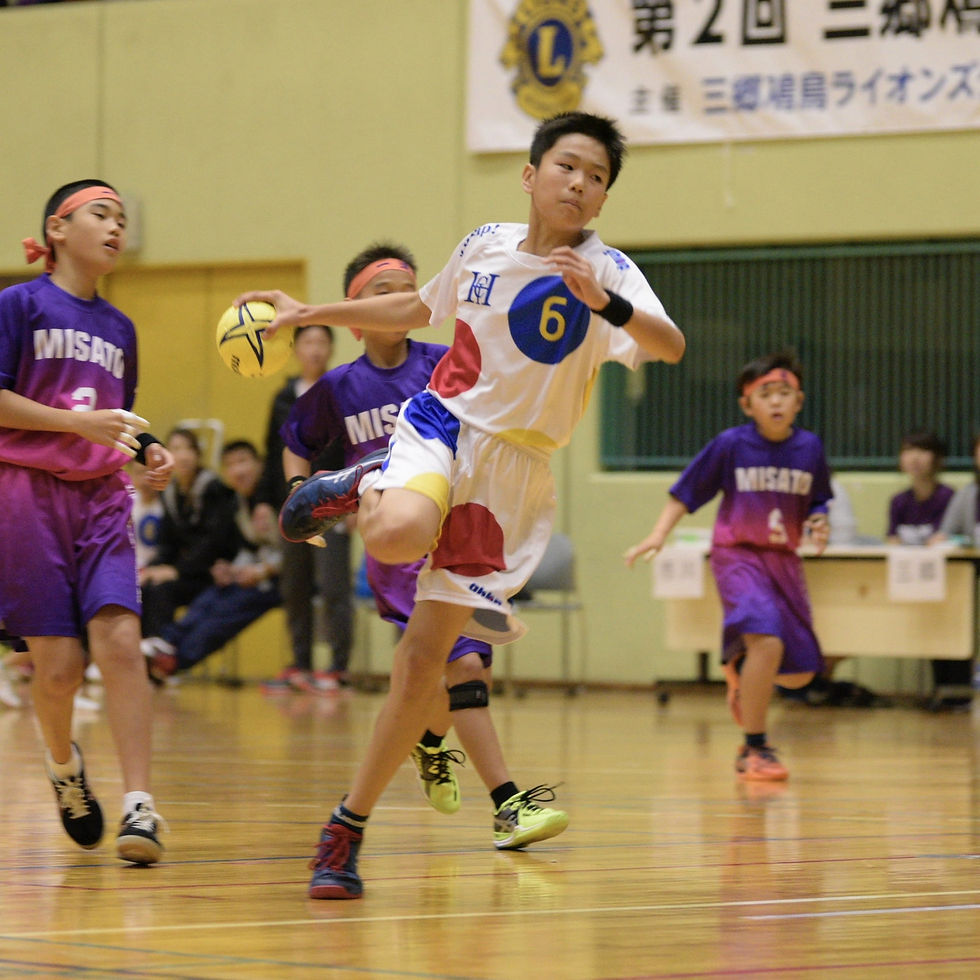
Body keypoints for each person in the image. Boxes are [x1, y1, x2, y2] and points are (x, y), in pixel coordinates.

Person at [237, 111, 685, 899]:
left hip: (515, 477)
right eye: (567, 166)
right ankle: (358, 485)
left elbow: (670, 346)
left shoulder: (610, 270)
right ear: (531, 174)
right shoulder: (483, 244)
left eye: (598, 176)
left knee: (420, 671)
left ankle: (344, 830)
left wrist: (606, 306)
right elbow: (415, 310)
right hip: (445, 423)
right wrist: (313, 315)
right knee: (399, 533)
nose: (580, 183)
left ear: (604, 198)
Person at [280, 239, 568, 846]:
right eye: (382, 293)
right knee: (459, 664)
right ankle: (508, 803)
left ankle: (430, 742)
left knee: (443, 676)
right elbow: (296, 439)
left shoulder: (445, 363)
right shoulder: (338, 387)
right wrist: (299, 494)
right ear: (356, 315)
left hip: (455, 527)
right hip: (398, 542)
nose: (398, 301)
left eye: (407, 290)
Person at [0, 179, 173, 863]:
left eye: (122, 218)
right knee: (59, 671)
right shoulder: (19, 305)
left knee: (123, 643)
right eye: (101, 214)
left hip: (101, 498)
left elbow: (114, 423)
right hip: (26, 496)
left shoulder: (121, 328)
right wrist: (77, 424)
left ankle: (140, 806)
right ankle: (64, 767)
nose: (115, 227)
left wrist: (146, 452)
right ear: (58, 228)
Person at [625, 349, 831, 782]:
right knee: (769, 643)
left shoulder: (810, 448)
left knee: (800, 674)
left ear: (799, 400)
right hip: (737, 555)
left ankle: (740, 667)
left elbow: (818, 499)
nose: (775, 401)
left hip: (785, 561)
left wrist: (818, 519)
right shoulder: (731, 444)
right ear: (747, 404)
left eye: (784, 393)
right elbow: (686, 491)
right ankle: (754, 749)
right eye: (765, 393)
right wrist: (658, 533)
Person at [255, 324, 353, 693]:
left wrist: (356, 503)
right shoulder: (283, 398)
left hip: (336, 502)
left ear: (330, 348)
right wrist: (263, 502)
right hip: (293, 504)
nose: (314, 349)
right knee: (294, 587)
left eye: (321, 342)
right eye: (308, 342)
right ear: (296, 350)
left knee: (333, 587)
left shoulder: (341, 392)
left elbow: (352, 446)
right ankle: (300, 664)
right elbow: (270, 451)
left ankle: (338, 667)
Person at [142, 440, 282, 681]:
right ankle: (165, 644)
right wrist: (231, 568)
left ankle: (173, 662)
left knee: (229, 609)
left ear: (259, 465)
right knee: (212, 596)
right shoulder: (238, 503)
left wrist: (261, 571)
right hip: (256, 576)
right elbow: (250, 549)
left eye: (243, 462)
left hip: (283, 582)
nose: (238, 471)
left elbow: (295, 554)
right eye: (230, 465)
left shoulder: (277, 499)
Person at [139, 427, 238, 639]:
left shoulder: (213, 488)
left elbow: (213, 543)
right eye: (175, 449)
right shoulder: (170, 492)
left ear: (197, 455)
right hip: (187, 570)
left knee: (161, 590)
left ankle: (162, 653)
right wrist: (153, 569)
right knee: (144, 586)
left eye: (188, 448)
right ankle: (142, 652)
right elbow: (167, 543)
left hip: (214, 571)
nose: (183, 455)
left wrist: (178, 571)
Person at [887, 430, 954, 546]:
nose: (915, 457)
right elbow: (892, 538)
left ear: (937, 457)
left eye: (923, 450)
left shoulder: (949, 497)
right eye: (908, 450)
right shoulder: (898, 501)